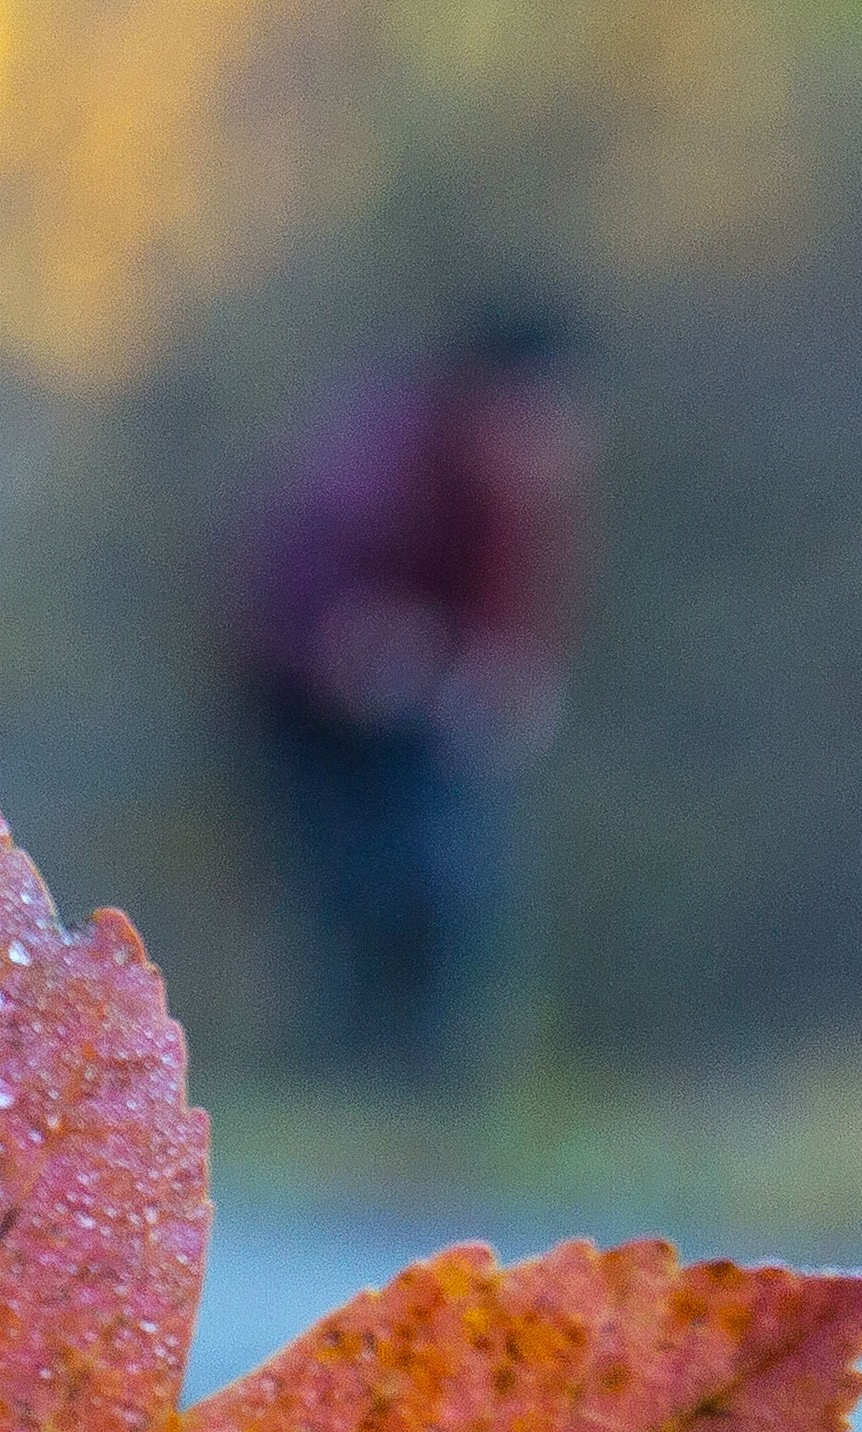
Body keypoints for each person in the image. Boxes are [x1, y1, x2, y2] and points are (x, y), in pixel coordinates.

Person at [227, 302, 597, 1082]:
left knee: (451, 880)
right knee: (354, 887)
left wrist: (506, 678)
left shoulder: (523, 488)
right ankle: (342, 1075)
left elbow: (513, 626)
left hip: (422, 713)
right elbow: (300, 572)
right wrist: (358, 638)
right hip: (305, 705)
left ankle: (429, 1078)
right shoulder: (385, 448)